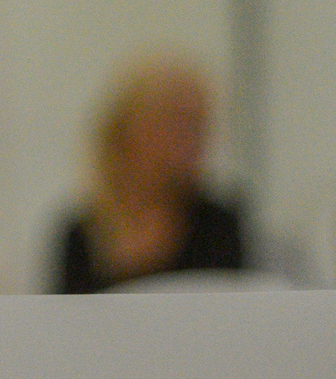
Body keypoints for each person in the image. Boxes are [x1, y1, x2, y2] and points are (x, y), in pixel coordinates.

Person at [49, 59, 247, 295]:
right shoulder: (81, 235)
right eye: (177, 124)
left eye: (199, 126)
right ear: (129, 130)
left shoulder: (219, 226)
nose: (193, 142)